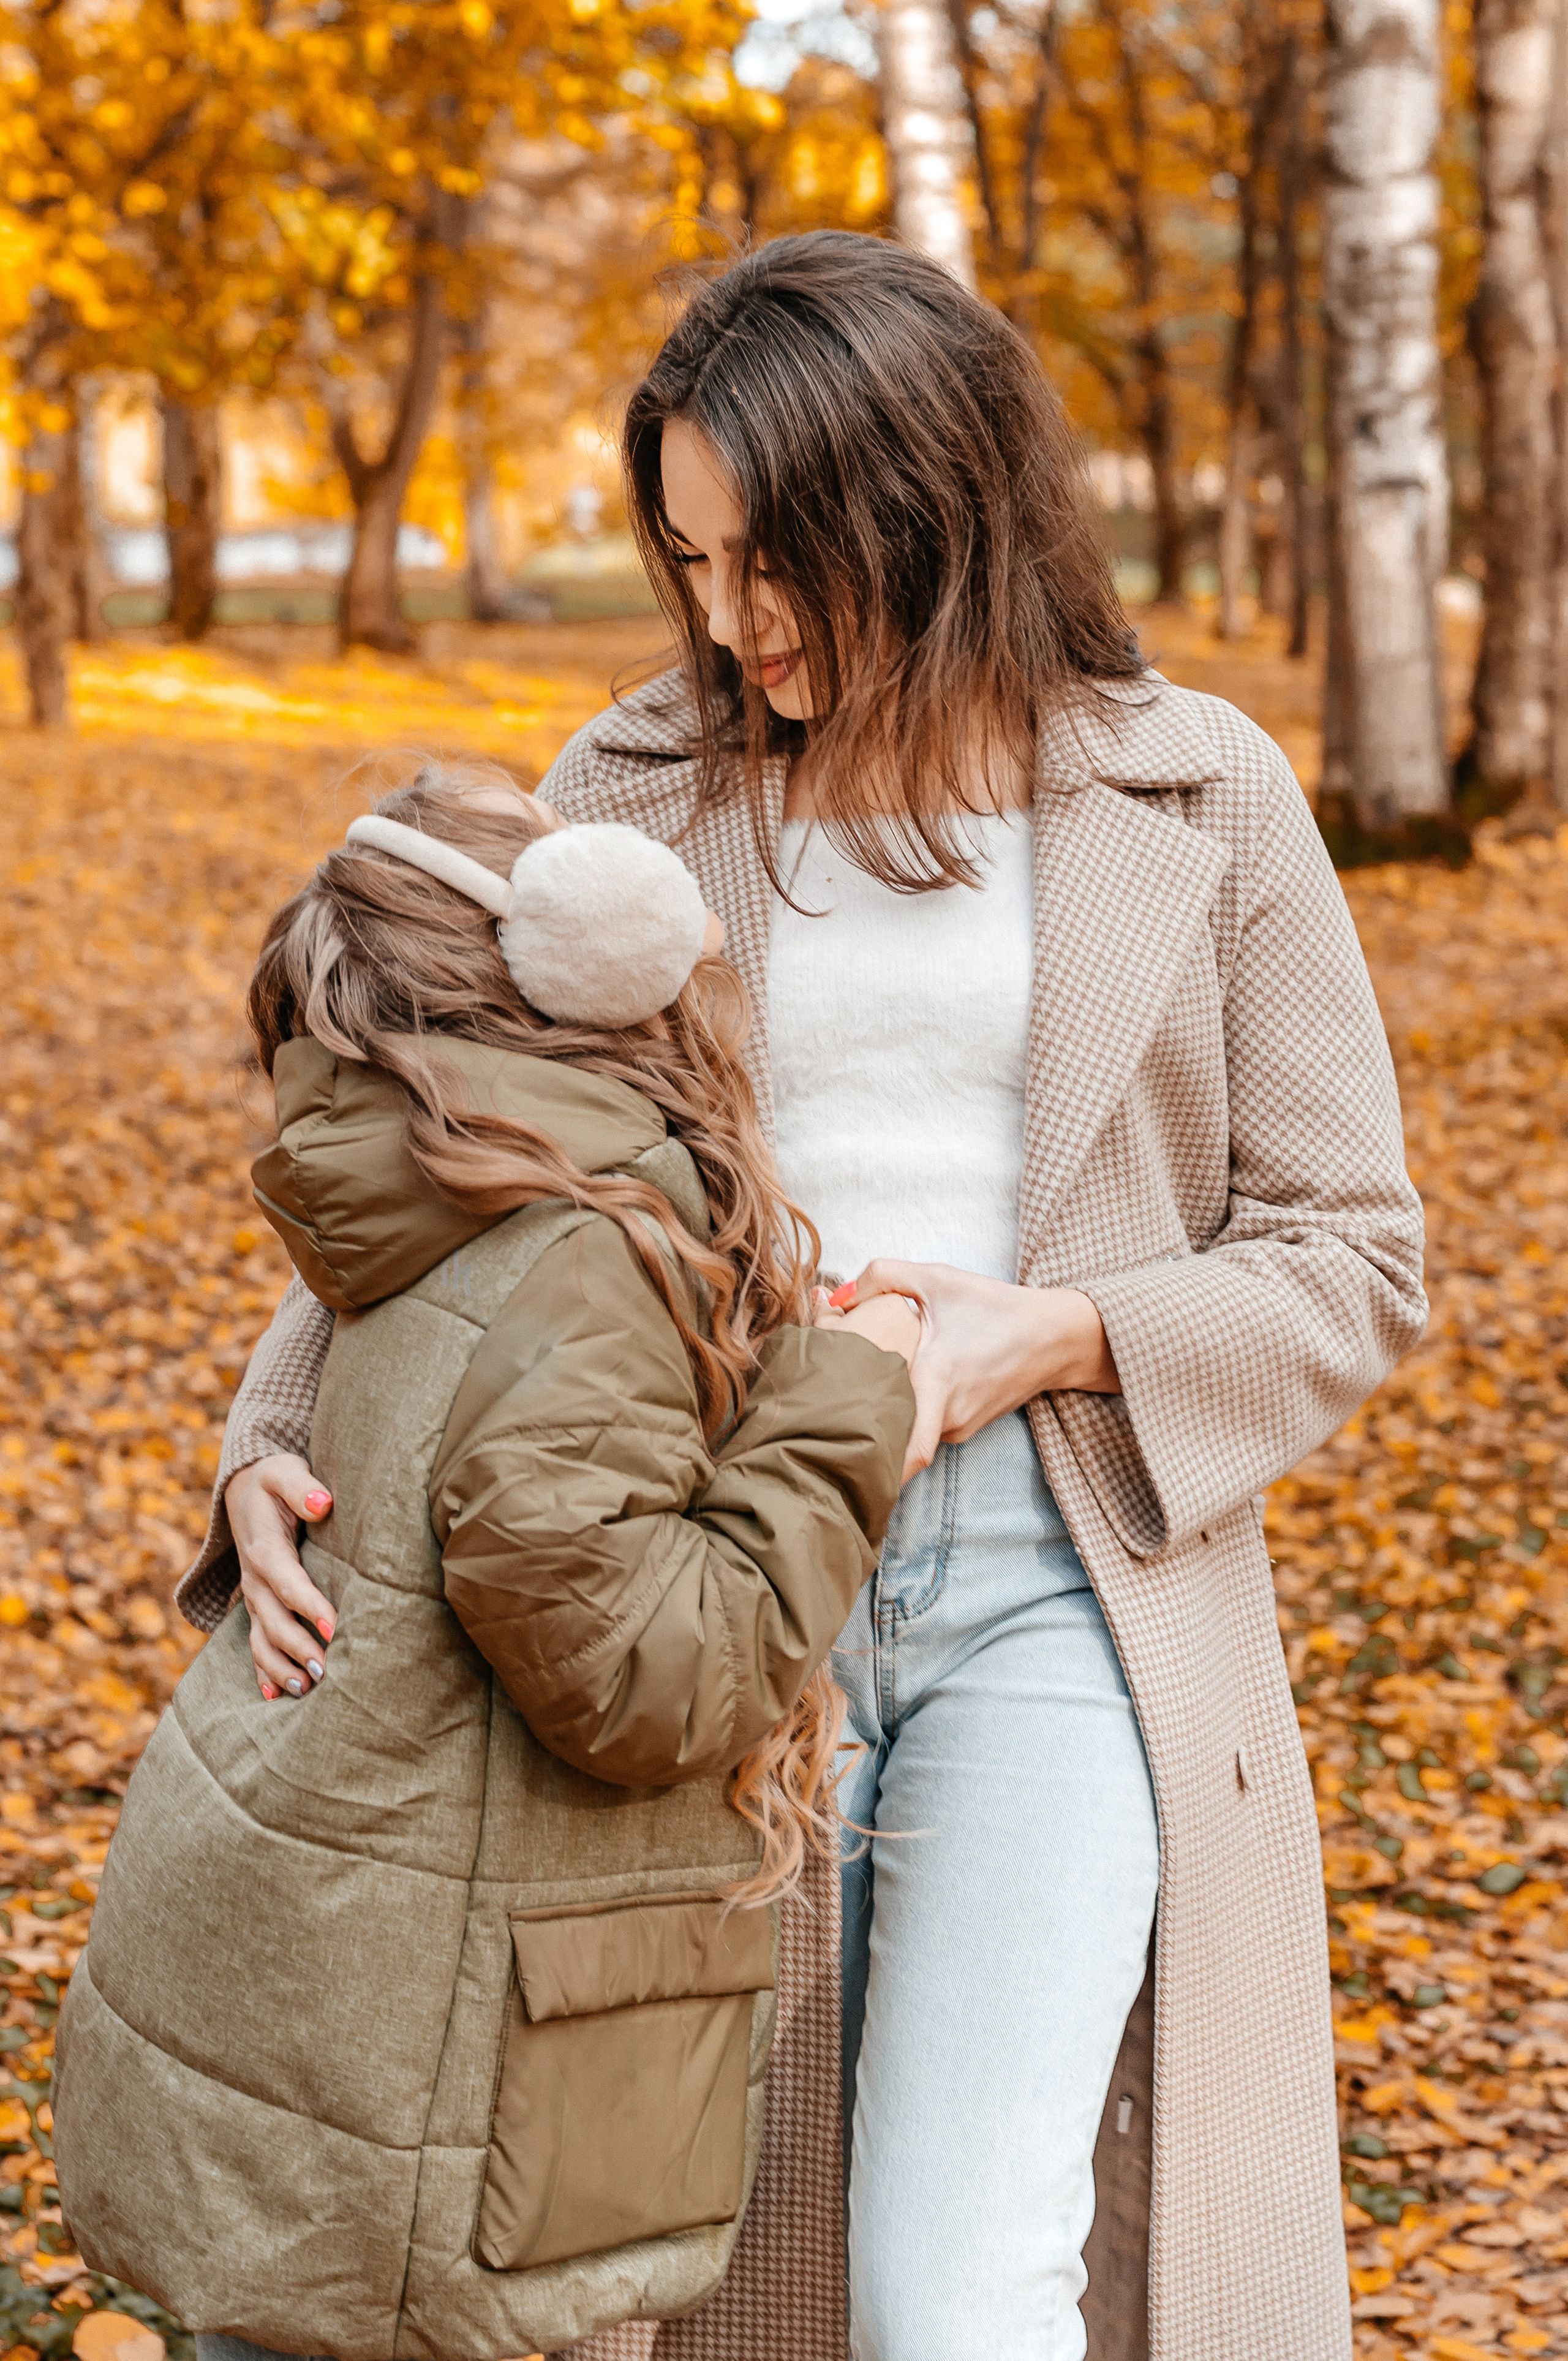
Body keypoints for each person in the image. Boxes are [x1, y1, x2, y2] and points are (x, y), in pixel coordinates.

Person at [169, 233, 1427, 2361]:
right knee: (707, 2269)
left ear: (936, 516)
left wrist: (1062, 1335)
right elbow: (460, 1168)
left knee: (958, 2288)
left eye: (779, 562)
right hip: (705, 1594)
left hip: (1066, 1591)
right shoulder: (631, 788)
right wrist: (270, 1449)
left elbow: (1352, 1247)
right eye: (693, 562)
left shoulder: (1198, 790)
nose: (734, 619)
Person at [53, 769, 922, 2361]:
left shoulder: (413, 1197)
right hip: (414, 2050)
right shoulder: (575, 1261)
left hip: (301, 1968)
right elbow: (651, 1677)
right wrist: (857, 1392)